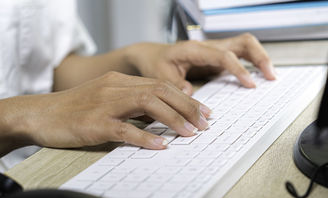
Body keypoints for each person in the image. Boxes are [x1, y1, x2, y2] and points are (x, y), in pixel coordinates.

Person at [0, 0, 276, 171]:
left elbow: (43, 71)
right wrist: (25, 116)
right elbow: (39, 103)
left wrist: (137, 57)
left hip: (38, 164)